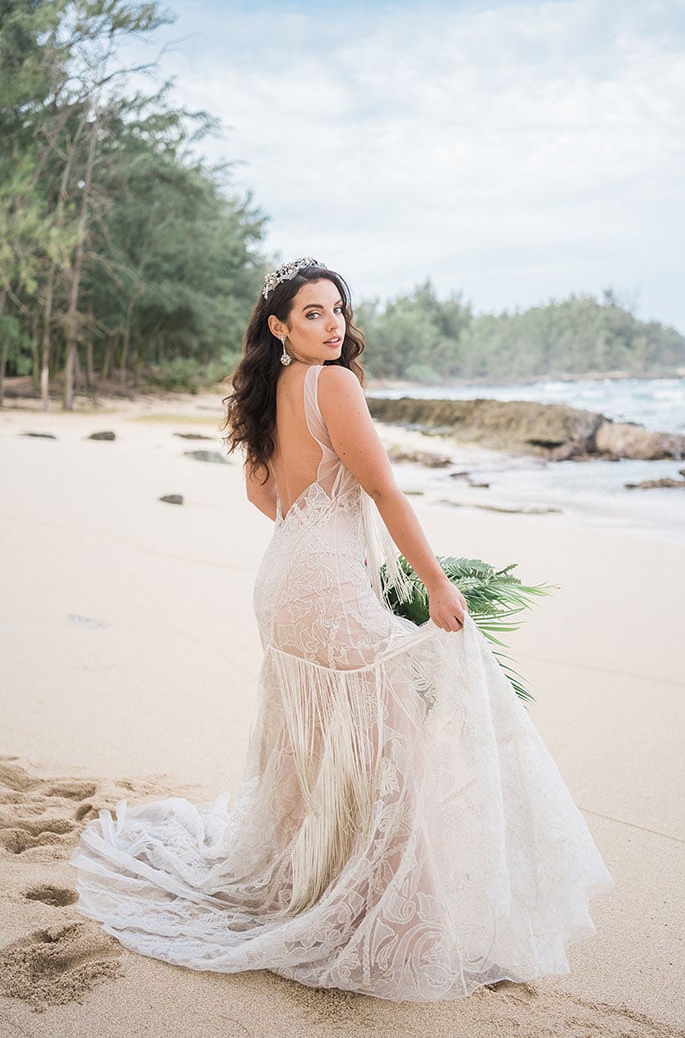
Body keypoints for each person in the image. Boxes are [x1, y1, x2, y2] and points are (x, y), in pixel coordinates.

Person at [70, 257, 614, 1002]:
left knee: (321, 746)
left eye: (337, 311)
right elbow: (385, 488)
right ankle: (387, 918)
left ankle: (319, 885)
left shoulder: (268, 394)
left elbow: (264, 496)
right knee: (397, 750)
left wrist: (321, 528)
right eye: (314, 314)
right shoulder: (336, 385)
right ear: (280, 326)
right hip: (322, 585)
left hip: (283, 577)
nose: (333, 326)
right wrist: (436, 584)